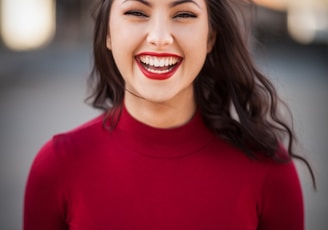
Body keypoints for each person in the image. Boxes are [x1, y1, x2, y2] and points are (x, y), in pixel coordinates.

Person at [24, 0, 315, 229]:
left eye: (184, 14)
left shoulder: (269, 170)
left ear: (211, 36)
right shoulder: (56, 167)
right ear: (107, 34)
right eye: (137, 11)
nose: (160, 38)